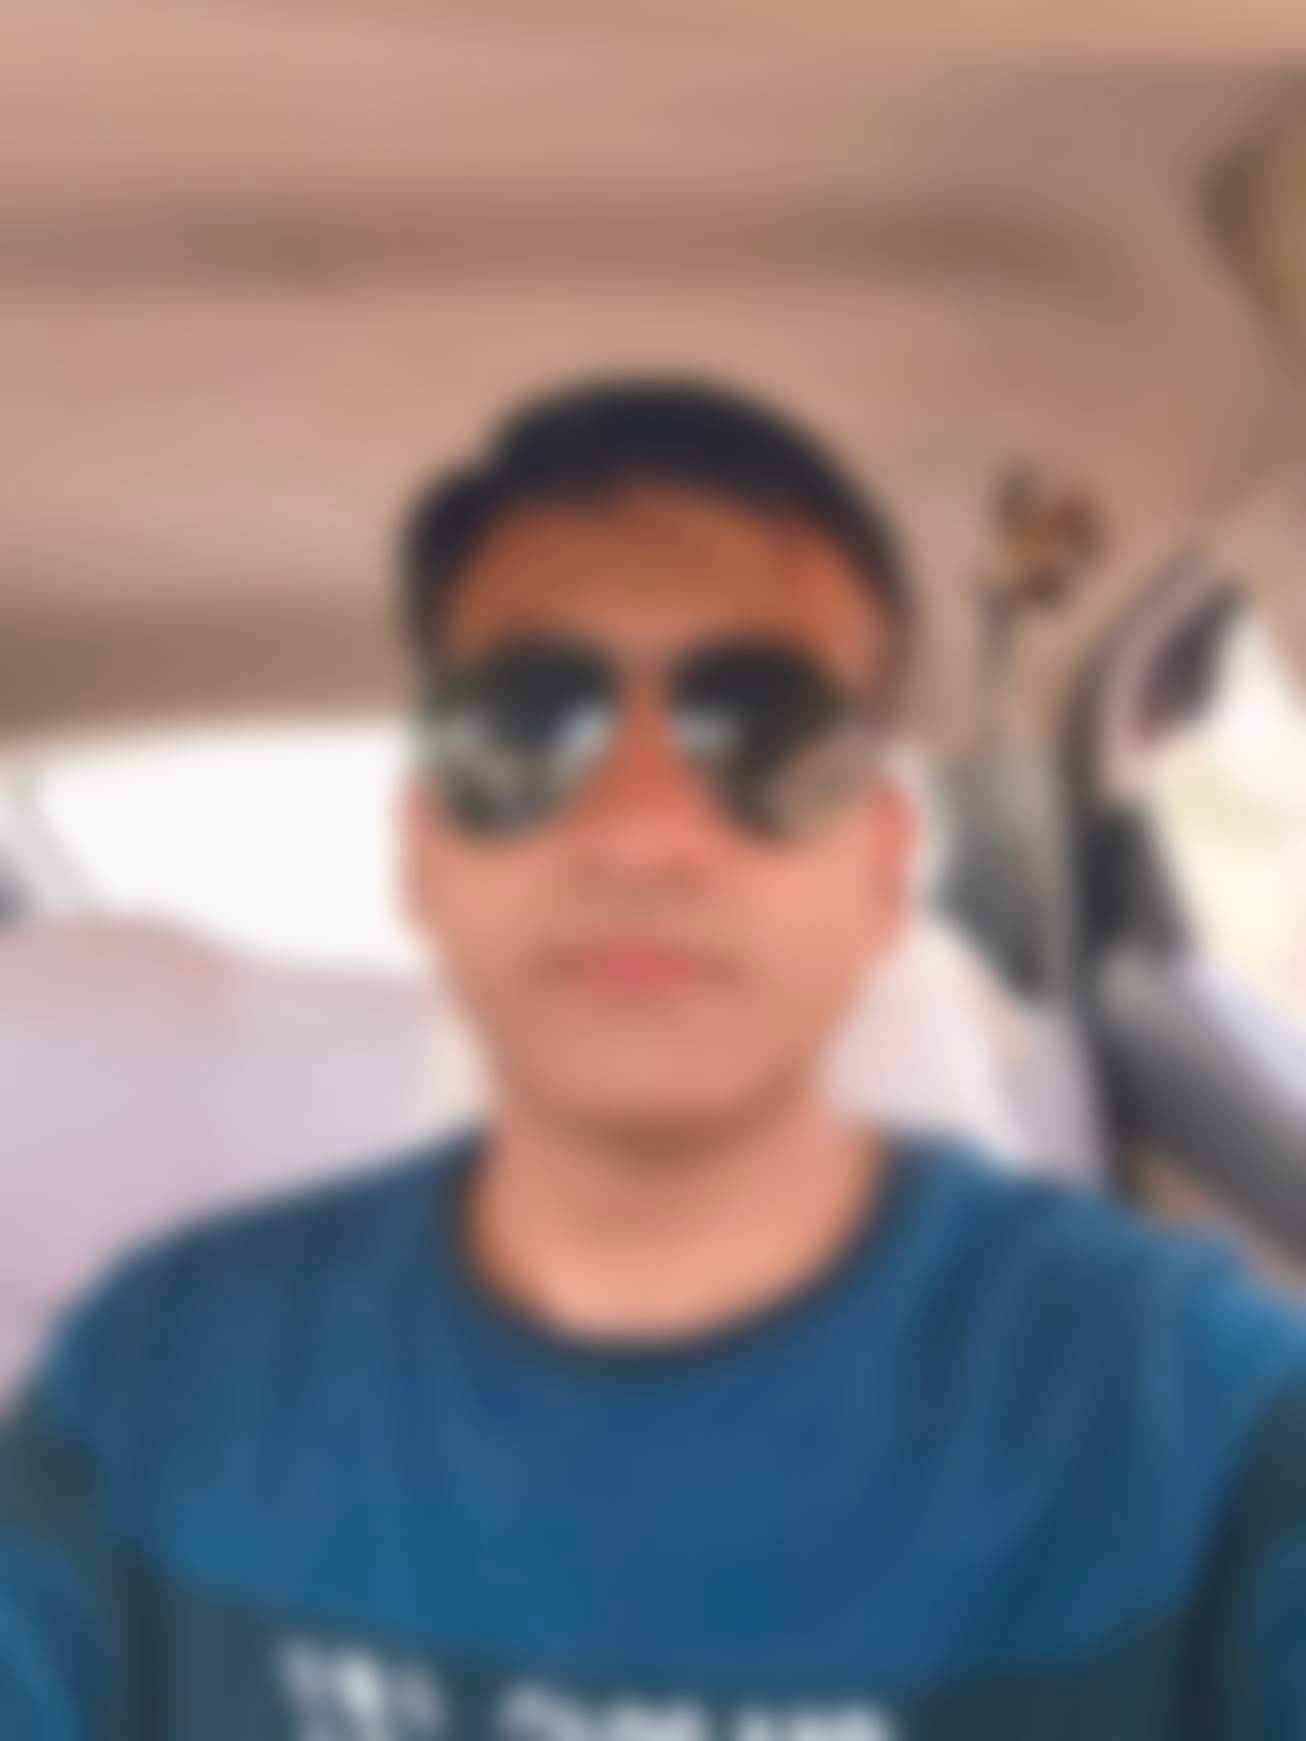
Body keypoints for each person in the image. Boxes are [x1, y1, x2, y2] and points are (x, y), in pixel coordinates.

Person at [2, 379, 1304, 1741]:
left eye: (765, 735)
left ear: (877, 865)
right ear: (424, 852)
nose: (638, 830)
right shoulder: (157, 1383)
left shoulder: (1176, 1411)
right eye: (524, 730)